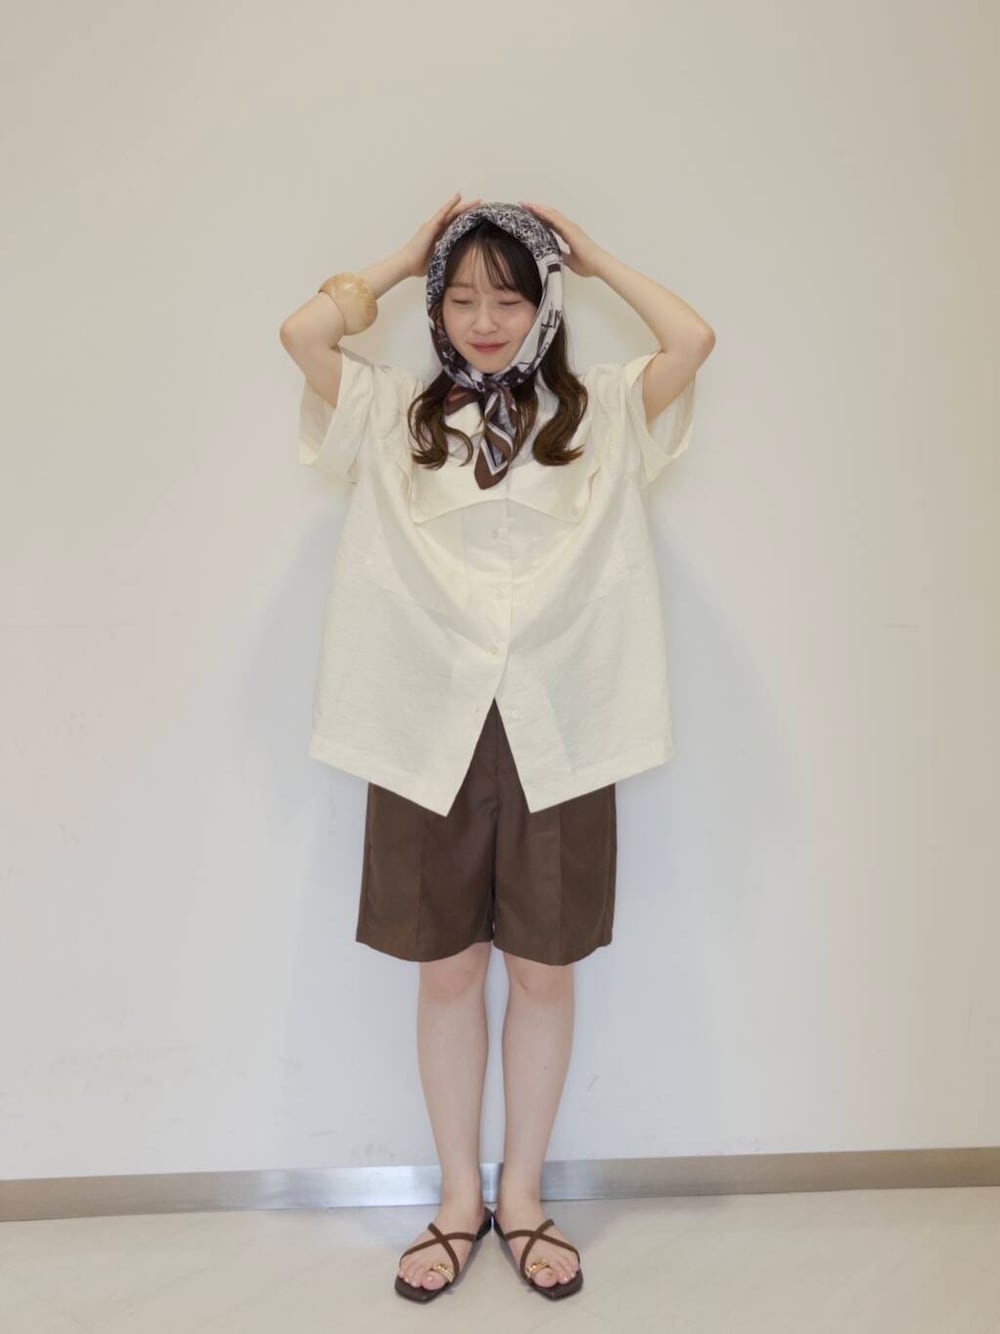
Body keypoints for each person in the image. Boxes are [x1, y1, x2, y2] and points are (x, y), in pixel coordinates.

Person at [279, 195, 715, 1303]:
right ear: (436, 308)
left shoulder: (601, 413)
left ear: (544, 305)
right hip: (424, 725)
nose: (483, 320)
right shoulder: (391, 413)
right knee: (446, 969)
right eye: (462, 297)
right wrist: (402, 259)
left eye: (509, 298)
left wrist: (593, 254)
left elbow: (692, 339)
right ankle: (455, 1200)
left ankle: (522, 1196)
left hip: (560, 726)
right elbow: (302, 334)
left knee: (542, 968)